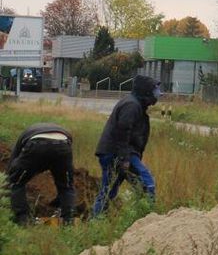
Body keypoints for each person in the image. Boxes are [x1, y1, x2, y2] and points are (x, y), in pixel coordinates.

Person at [92, 74, 161, 216]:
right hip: (116, 153)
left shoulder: (136, 104)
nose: (158, 94)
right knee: (146, 181)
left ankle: (98, 219)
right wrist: (124, 159)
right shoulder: (131, 105)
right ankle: (149, 216)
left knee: (109, 190)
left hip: (119, 152)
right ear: (146, 90)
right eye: (155, 89)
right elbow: (122, 131)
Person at [5, 122, 76, 225]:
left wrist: (9, 179)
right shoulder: (61, 131)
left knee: (16, 183)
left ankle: (23, 219)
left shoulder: (24, 136)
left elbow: (13, 165)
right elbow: (63, 160)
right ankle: (68, 220)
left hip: (37, 144)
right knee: (66, 186)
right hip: (64, 145)